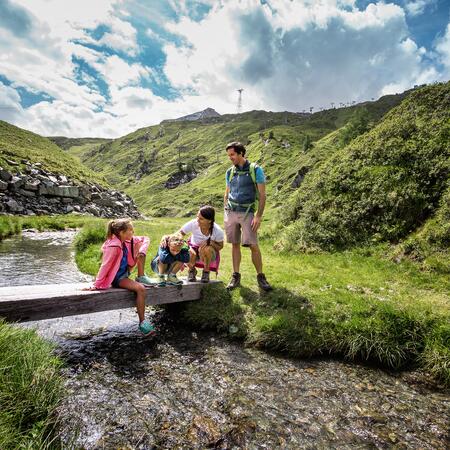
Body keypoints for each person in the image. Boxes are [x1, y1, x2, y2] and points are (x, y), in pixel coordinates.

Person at [92, 218, 155, 335]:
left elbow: (145, 238)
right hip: (117, 278)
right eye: (130, 230)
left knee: (141, 286)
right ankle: (142, 323)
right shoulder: (114, 246)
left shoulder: (125, 241)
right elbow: (105, 266)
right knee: (140, 288)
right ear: (121, 232)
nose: (133, 232)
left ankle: (141, 276)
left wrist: (142, 250)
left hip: (124, 274)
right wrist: (97, 284)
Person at [223, 142, 272, 291]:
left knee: (253, 245)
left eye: (232, 154)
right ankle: (235, 275)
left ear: (240, 153)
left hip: (248, 213)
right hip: (231, 212)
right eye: (228, 155)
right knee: (235, 244)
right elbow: (227, 192)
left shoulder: (255, 170)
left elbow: (262, 196)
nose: (230, 158)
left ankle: (261, 276)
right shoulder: (229, 172)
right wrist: (225, 209)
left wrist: (258, 216)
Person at [180, 205, 224, 283]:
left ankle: (206, 272)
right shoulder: (193, 223)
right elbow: (180, 233)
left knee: (207, 249)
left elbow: (220, 246)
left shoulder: (217, 231)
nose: (197, 220)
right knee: (187, 252)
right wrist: (167, 237)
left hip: (208, 253)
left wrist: (211, 243)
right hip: (193, 249)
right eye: (197, 217)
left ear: (209, 220)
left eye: (201, 219)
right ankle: (192, 270)